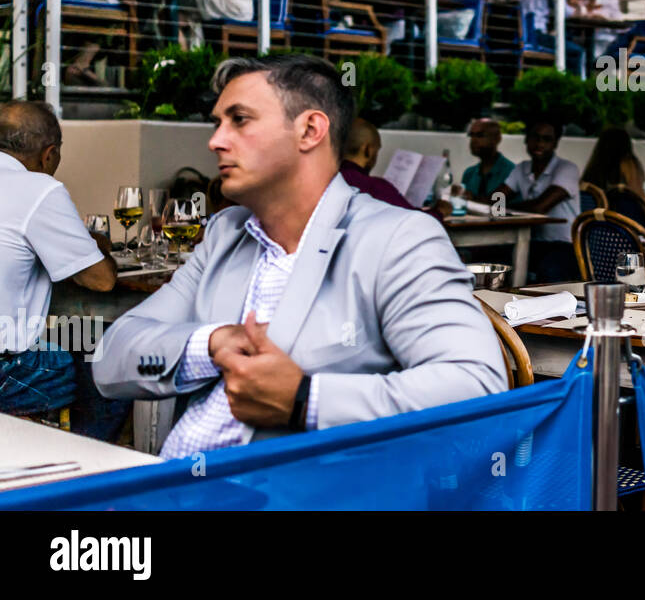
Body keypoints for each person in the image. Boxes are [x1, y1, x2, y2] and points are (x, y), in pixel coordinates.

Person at [93, 54, 506, 459]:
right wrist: (213, 343)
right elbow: (112, 358)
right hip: (176, 487)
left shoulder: (397, 238)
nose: (215, 140)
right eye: (218, 122)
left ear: (310, 130)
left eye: (239, 119)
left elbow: (477, 388)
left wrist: (305, 400)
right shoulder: (225, 234)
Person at [0, 101, 122, 437]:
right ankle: (88, 468)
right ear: (49, 154)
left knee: (65, 336)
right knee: (109, 346)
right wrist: (93, 244)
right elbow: (101, 280)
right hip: (8, 369)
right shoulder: (38, 189)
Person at [502, 119, 581, 282]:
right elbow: (495, 199)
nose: (539, 143)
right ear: (526, 139)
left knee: (549, 269)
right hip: (530, 241)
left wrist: (505, 207)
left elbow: (540, 207)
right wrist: (472, 198)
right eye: (535, 137)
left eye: (547, 139)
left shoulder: (567, 168)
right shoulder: (521, 168)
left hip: (565, 246)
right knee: (495, 258)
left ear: (555, 143)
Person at [339, 117, 417, 211]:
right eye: (377, 150)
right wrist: (439, 211)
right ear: (368, 150)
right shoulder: (375, 187)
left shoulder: (326, 180)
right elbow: (416, 218)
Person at [581, 127, 645, 222]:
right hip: (627, 227)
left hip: (594, 231)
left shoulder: (593, 173)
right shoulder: (628, 164)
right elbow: (640, 198)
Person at [462, 118, 514, 204]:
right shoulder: (469, 173)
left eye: (480, 135)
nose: (473, 140)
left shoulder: (511, 173)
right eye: (471, 135)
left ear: (497, 139)